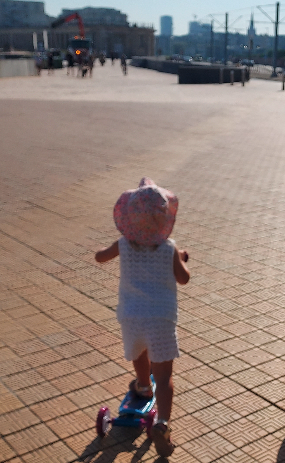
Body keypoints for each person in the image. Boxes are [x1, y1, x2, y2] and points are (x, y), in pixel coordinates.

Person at [95, 177, 190, 457]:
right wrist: (181, 260)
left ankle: (143, 387)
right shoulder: (169, 248)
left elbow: (101, 257)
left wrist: (102, 252)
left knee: (139, 354)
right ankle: (162, 423)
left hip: (131, 315)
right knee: (165, 374)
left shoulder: (123, 244)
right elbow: (183, 279)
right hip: (160, 317)